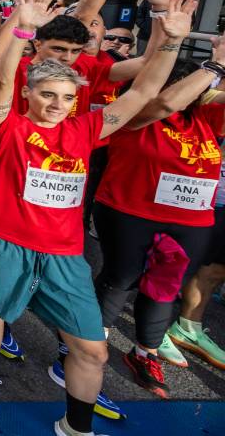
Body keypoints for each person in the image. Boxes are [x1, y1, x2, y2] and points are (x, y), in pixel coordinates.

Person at [0, 0, 191, 436]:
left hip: (65, 255)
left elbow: (145, 91)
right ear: (29, 93)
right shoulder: (8, 127)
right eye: (47, 94)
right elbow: (2, 82)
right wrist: (23, 28)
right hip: (6, 239)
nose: (56, 104)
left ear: (76, 100)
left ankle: (76, 426)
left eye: (66, 97)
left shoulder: (87, 129)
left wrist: (169, 36)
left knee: (94, 350)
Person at [92, 29, 225, 396]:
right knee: (120, 280)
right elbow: (165, 104)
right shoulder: (135, 113)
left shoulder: (206, 117)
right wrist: (216, 64)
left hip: (191, 221)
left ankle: (144, 353)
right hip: (130, 211)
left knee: (164, 289)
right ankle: (89, 348)